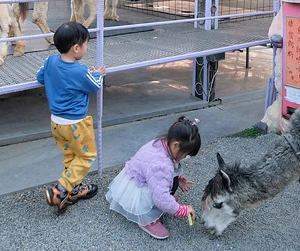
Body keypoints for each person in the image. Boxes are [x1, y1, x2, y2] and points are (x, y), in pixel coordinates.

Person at [38, 21, 106, 212]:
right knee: (86, 156)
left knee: (71, 155)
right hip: (76, 124)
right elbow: (94, 85)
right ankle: (60, 189)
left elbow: (40, 77)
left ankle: (74, 189)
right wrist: (98, 74)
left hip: (56, 123)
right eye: (86, 44)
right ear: (76, 48)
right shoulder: (80, 71)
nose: (86, 48)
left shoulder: (50, 61)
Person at [105, 116, 200, 240]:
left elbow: (159, 170)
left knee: (170, 183)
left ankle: (158, 205)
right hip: (138, 189)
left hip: (137, 177)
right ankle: (147, 219)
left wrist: (178, 177)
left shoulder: (163, 142)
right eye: (186, 154)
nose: (184, 157)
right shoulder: (161, 165)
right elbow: (162, 198)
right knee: (161, 197)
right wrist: (183, 210)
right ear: (176, 145)